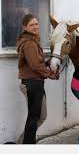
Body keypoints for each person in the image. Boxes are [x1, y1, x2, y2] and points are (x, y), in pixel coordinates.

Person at [16, 14, 59, 144]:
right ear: (25, 27)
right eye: (31, 25)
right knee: (34, 117)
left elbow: (36, 63)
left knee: (39, 116)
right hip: (32, 84)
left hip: (36, 83)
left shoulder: (33, 40)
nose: (35, 27)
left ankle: (22, 142)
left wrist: (48, 63)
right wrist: (50, 74)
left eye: (36, 24)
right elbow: (35, 65)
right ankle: (27, 144)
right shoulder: (29, 43)